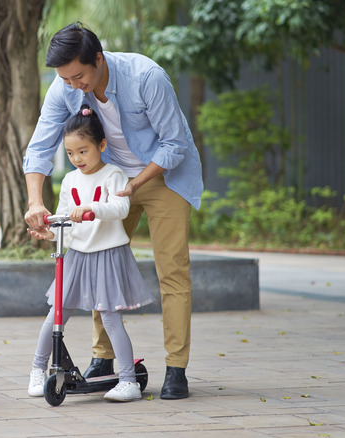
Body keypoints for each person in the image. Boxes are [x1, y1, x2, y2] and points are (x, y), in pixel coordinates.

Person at [23, 22, 203, 400]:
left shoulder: (146, 77)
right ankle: (103, 360)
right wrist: (35, 201)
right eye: (65, 78)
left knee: (172, 269)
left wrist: (136, 184)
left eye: (79, 76)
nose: (73, 85)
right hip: (108, 179)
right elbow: (40, 147)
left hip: (163, 175)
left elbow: (174, 144)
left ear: (99, 60)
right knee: (95, 256)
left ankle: (176, 368)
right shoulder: (65, 86)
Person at [27, 105, 153, 402]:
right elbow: (63, 219)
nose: (76, 159)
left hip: (108, 255)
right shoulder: (70, 181)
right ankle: (37, 369)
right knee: (56, 314)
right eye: (70, 153)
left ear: (102, 145)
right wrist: (51, 231)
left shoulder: (114, 175)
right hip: (77, 256)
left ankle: (128, 381)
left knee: (110, 318)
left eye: (83, 151)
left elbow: (121, 209)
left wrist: (93, 209)